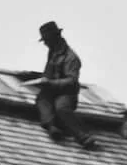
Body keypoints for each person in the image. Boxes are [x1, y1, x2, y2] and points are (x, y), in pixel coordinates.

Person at [33, 20, 97, 149]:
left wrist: (50, 83)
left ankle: (84, 136)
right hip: (52, 90)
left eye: (47, 40)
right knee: (42, 99)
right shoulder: (52, 52)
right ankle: (52, 126)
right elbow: (48, 73)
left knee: (61, 108)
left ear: (55, 38)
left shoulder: (71, 57)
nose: (45, 43)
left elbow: (71, 81)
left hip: (67, 93)